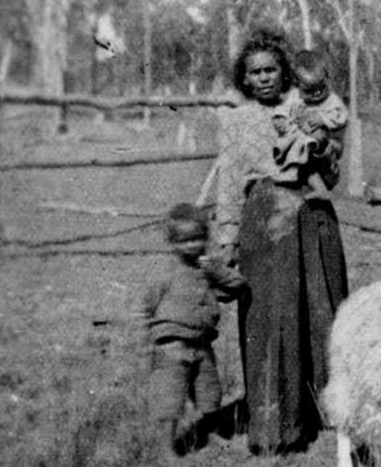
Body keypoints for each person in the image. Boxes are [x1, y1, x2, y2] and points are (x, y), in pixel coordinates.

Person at [210, 29, 349, 454]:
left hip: (310, 220)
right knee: (268, 321)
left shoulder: (307, 104)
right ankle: (278, 428)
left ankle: (333, 419)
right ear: (245, 79)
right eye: (256, 72)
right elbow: (231, 185)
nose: (265, 78)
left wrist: (323, 145)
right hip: (263, 224)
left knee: (319, 315)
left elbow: (331, 175)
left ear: (284, 71)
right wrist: (227, 241)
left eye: (272, 69)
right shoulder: (235, 121)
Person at [141, 203, 245, 459]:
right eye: (185, 241)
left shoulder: (206, 270)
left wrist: (217, 271)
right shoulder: (165, 273)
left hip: (202, 345)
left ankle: (210, 434)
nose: (193, 245)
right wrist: (145, 344)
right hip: (171, 347)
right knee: (170, 399)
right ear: (173, 243)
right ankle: (167, 447)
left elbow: (237, 286)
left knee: (209, 393)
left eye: (198, 239)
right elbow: (147, 308)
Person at [270, 49, 348, 199]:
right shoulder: (294, 96)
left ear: (327, 79)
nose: (317, 94)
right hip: (301, 146)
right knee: (293, 151)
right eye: (310, 90)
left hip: (326, 150)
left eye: (321, 87)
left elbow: (341, 116)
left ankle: (319, 185)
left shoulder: (331, 100)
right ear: (297, 84)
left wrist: (323, 119)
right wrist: (280, 119)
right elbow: (283, 109)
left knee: (313, 143)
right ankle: (304, 181)